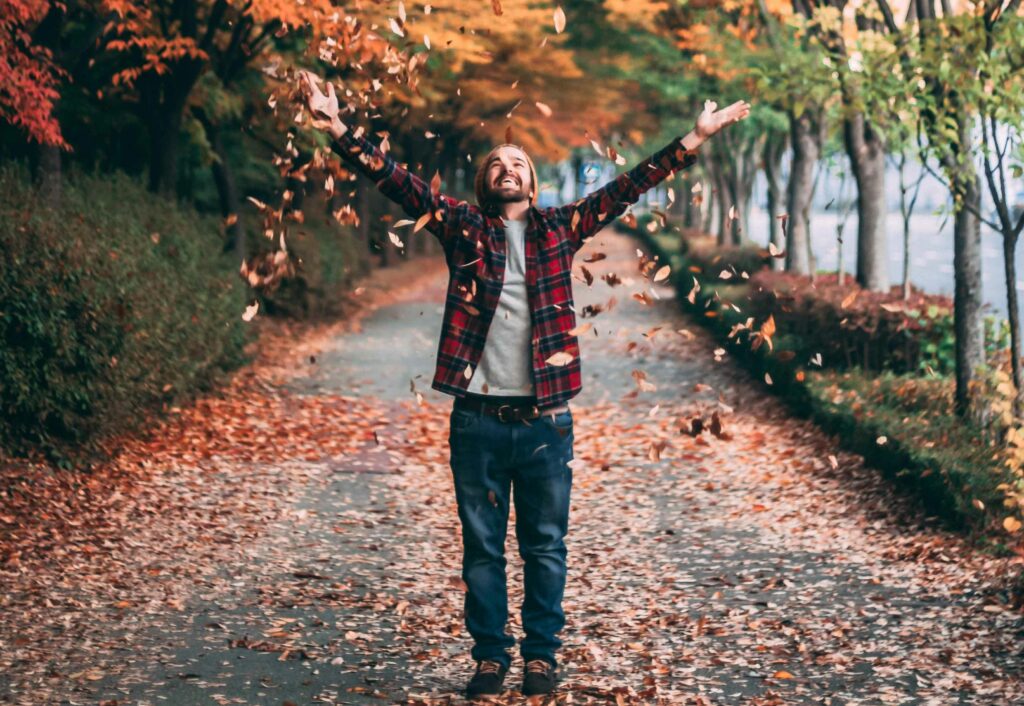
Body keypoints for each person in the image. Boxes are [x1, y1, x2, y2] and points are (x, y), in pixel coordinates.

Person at [300, 70, 749, 698]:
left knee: (544, 549)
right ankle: (490, 657)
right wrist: (338, 126)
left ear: (532, 184)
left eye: (518, 162)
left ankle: (541, 656)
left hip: (544, 420)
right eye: (497, 163)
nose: (507, 167)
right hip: (477, 420)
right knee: (482, 551)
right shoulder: (461, 225)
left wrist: (693, 139)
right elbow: (396, 180)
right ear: (485, 182)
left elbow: (628, 186)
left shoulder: (557, 229)